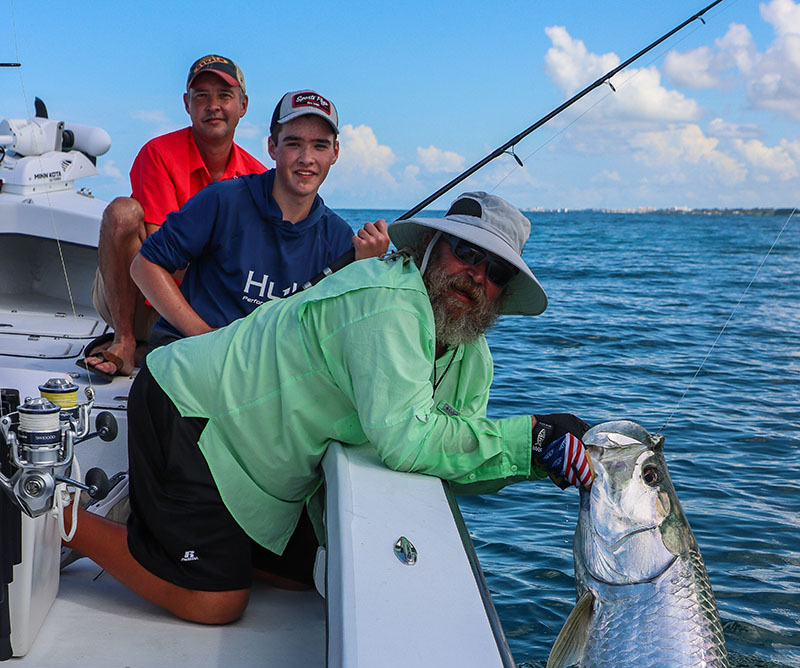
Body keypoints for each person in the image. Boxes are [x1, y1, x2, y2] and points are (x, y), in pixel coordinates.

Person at [63, 191, 592, 625]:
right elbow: (407, 440)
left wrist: (536, 460)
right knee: (216, 602)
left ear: (502, 293)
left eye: (495, 271)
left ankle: (165, 520)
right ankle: (66, 525)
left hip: (263, 452)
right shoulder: (389, 302)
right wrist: (531, 437)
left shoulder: (472, 355)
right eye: (466, 254)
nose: (475, 276)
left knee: (301, 577)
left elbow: (455, 457)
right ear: (430, 248)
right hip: (192, 411)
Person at [129, 90, 390, 347]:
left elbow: (347, 331)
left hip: (265, 374)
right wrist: (205, 337)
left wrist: (367, 272)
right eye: (293, 144)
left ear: (335, 153)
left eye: (319, 146)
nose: (306, 159)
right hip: (189, 356)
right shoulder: (224, 199)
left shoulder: (339, 238)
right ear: (272, 147)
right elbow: (144, 265)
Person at [83, 55, 266, 378]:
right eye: (201, 96)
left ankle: (155, 348)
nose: (213, 105)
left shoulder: (259, 176)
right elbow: (162, 255)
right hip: (144, 296)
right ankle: (125, 341)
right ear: (186, 104)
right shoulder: (158, 153)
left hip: (206, 306)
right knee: (122, 212)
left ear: (244, 105)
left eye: (224, 96)